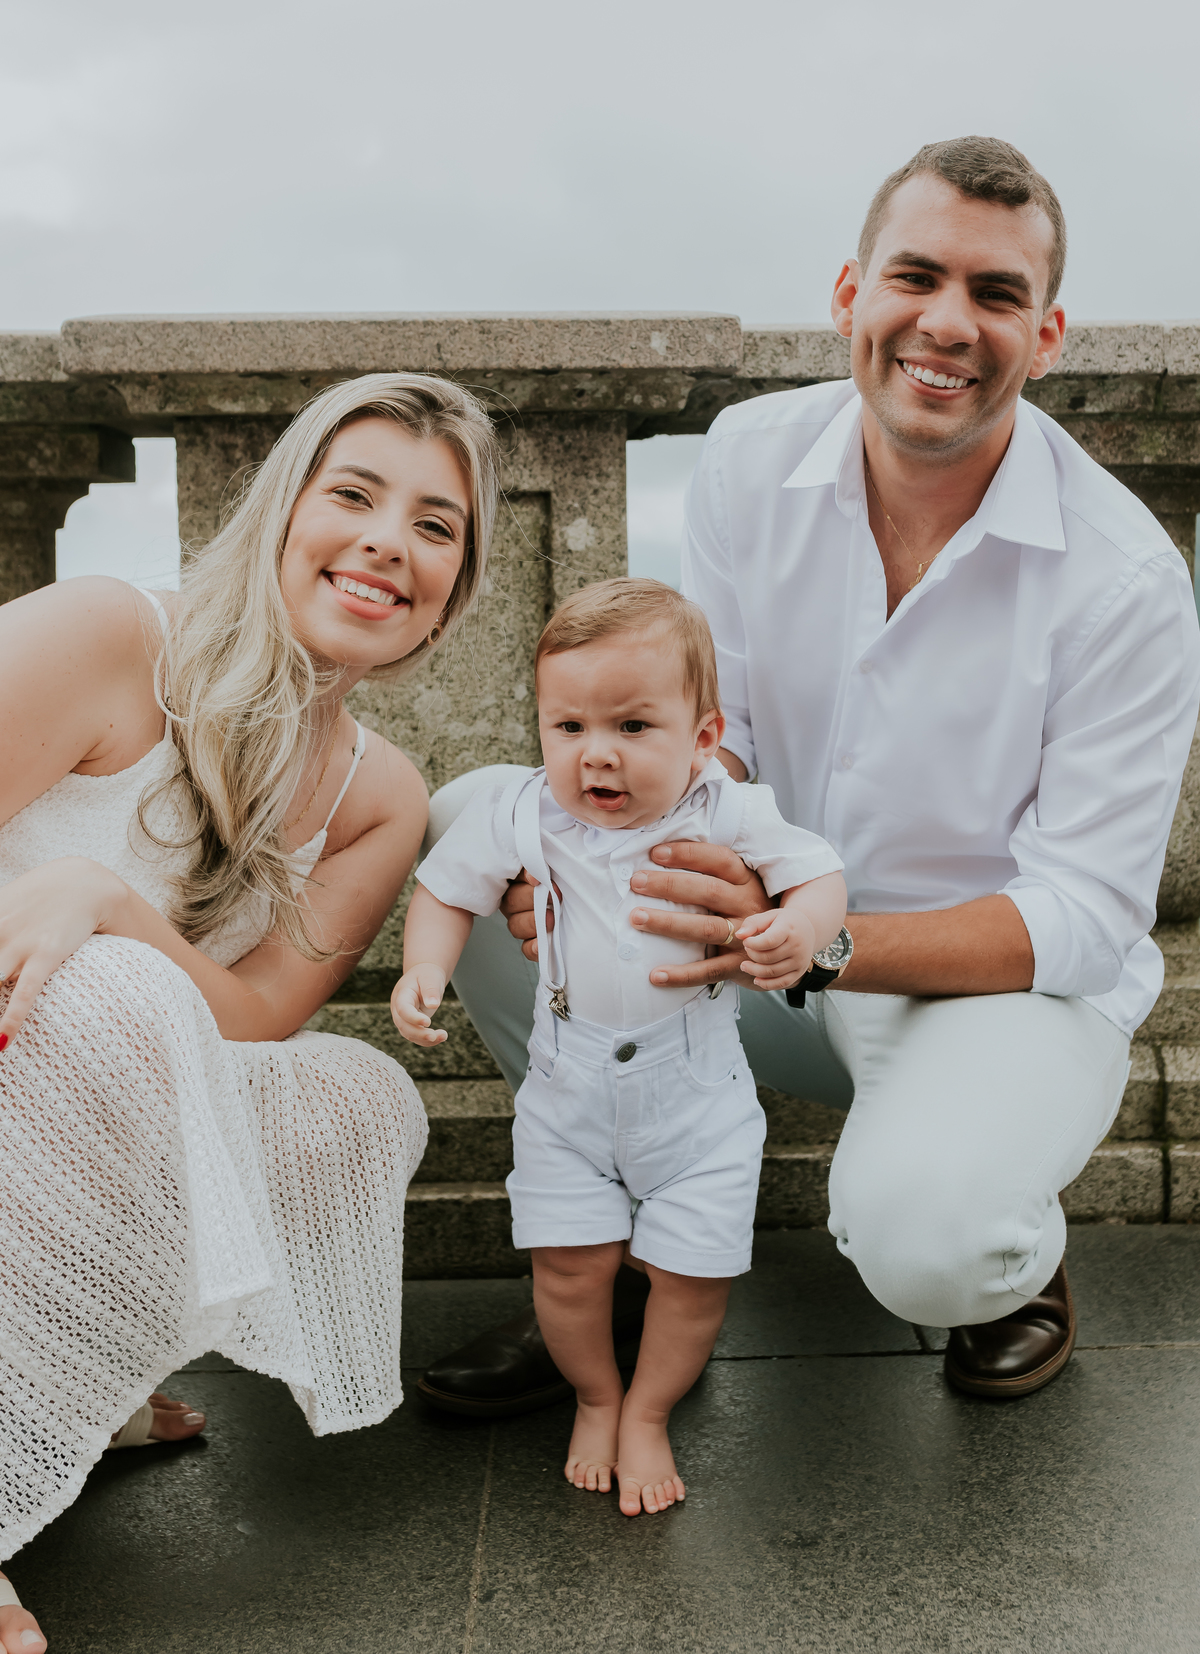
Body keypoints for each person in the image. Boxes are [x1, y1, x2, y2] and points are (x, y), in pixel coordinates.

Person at [416, 136, 1200, 1423]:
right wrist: (679, 861)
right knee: (478, 826)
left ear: (1046, 334)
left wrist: (819, 942)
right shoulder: (745, 456)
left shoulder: (1123, 579)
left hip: (983, 989)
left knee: (929, 1246)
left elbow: (1083, 917)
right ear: (850, 296)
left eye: (996, 295)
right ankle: (619, 1248)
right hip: (766, 946)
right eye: (916, 277)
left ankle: (1009, 1259)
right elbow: (710, 735)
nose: (948, 323)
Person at [0, 373, 499, 1654]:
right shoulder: (113, 637)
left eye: (437, 525)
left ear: (456, 586)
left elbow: (253, 1016)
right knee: (105, 1001)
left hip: (107, 1059)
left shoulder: (382, 794)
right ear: (282, 511)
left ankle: (64, 1372)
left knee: (350, 1101)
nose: (392, 539)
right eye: (356, 494)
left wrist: (105, 897)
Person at [393, 579, 845, 1514]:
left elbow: (820, 873)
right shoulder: (524, 812)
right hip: (569, 1090)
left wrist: (799, 928)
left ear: (704, 735)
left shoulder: (727, 811)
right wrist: (423, 969)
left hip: (698, 1097)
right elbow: (446, 888)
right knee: (567, 1263)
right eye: (569, 728)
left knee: (691, 1277)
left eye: (634, 727)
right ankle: (596, 1396)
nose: (596, 756)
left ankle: (649, 1409)